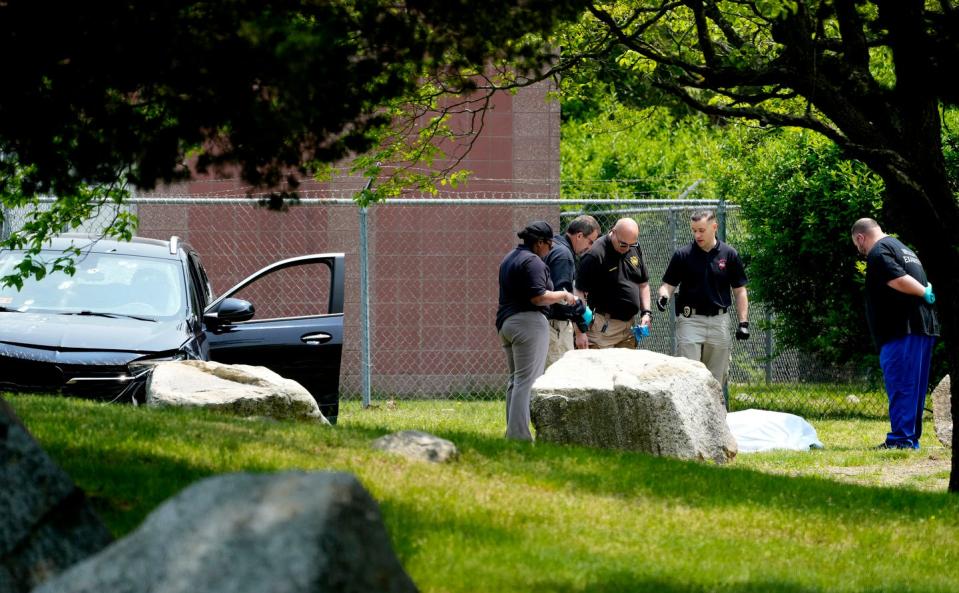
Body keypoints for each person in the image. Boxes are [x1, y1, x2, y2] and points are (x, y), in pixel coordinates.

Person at [851, 218, 939, 450]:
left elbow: (897, 279)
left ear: (861, 237)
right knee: (915, 388)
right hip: (922, 327)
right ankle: (910, 438)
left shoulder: (879, 252)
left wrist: (923, 293)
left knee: (902, 385)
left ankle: (901, 440)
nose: (860, 250)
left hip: (901, 329)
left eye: (857, 245)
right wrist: (925, 291)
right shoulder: (903, 248)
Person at [497, 221, 579, 441]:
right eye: (549, 245)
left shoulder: (510, 258)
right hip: (528, 323)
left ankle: (513, 432)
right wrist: (564, 295)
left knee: (516, 380)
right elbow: (538, 296)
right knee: (527, 381)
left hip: (507, 323)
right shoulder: (533, 262)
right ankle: (519, 437)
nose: (550, 249)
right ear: (540, 242)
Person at [656, 210, 749, 384]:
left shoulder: (729, 254)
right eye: (694, 230)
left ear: (714, 227)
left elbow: (739, 290)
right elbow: (668, 285)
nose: (697, 234)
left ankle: (715, 412)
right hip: (690, 321)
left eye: (701, 230)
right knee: (688, 375)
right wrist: (664, 296)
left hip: (719, 322)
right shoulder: (683, 255)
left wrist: (743, 323)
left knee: (716, 379)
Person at [574, 217, 652, 349]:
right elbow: (578, 292)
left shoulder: (633, 247)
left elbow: (643, 284)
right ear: (613, 232)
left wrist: (646, 313)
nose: (627, 248)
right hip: (603, 328)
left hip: (628, 328)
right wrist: (580, 331)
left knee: (626, 369)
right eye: (623, 244)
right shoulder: (595, 254)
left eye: (631, 245)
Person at [544, 215, 601, 367]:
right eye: (590, 241)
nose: (590, 247)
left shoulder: (554, 245)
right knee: (557, 378)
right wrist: (581, 329)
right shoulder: (563, 255)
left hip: (542, 321)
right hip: (555, 325)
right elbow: (563, 297)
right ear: (580, 235)